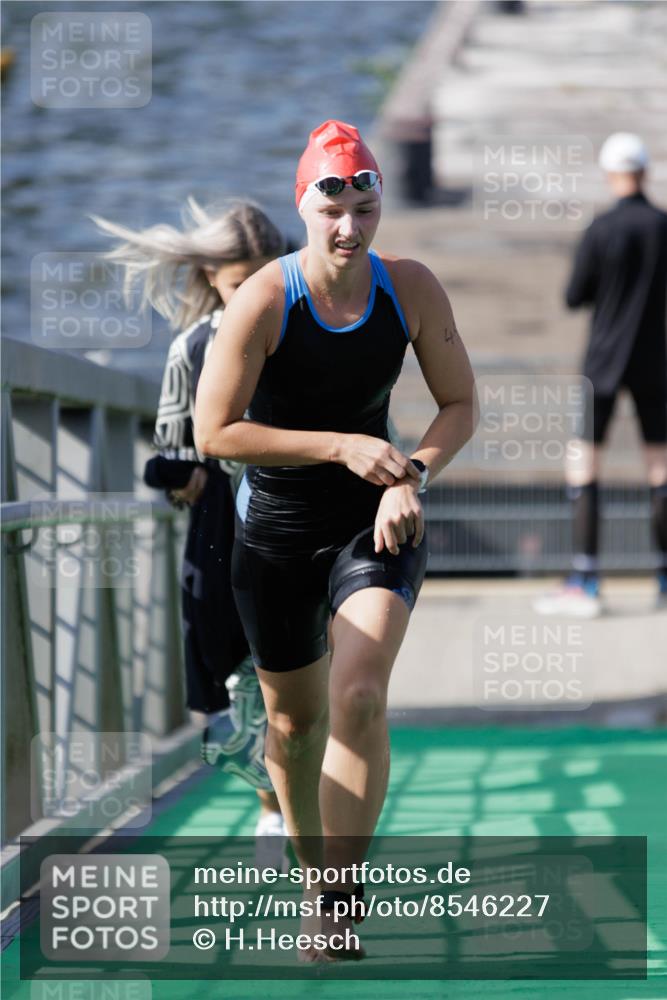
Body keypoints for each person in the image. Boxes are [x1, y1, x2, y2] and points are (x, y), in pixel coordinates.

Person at [194, 120, 476, 960]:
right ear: (303, 208)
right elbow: (215, 432)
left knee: (359, 696)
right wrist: (340, 446)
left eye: (365, 207)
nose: (350, 227)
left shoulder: (410, 288)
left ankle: (337, 902)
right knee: (294, 726)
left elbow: (459, 405)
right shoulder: (264, 299)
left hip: (373, 523)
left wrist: (409, 475)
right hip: (276, 533)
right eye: (332, 210)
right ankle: (312, 874)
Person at [94, 199, 289, 851]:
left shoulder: (306, 327)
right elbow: (167, 453)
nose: (254, 294)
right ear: (209, 276)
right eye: (238, 283)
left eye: (266, 277)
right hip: (222, 532)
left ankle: (309, 804)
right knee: (237, 682)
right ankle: (271, 806)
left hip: (300, 519)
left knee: (305, 673)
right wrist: (186, 477)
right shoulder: (192, 347)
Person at [534, 133, 667, 618]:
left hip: (603, 362)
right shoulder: (662, 225)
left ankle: (587, 580)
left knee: (585, 463)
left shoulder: (601, 228)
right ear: (644, 172)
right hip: (655, 360)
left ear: (611, 174)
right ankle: (664, 579)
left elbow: (574, 296)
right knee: (661, 467)